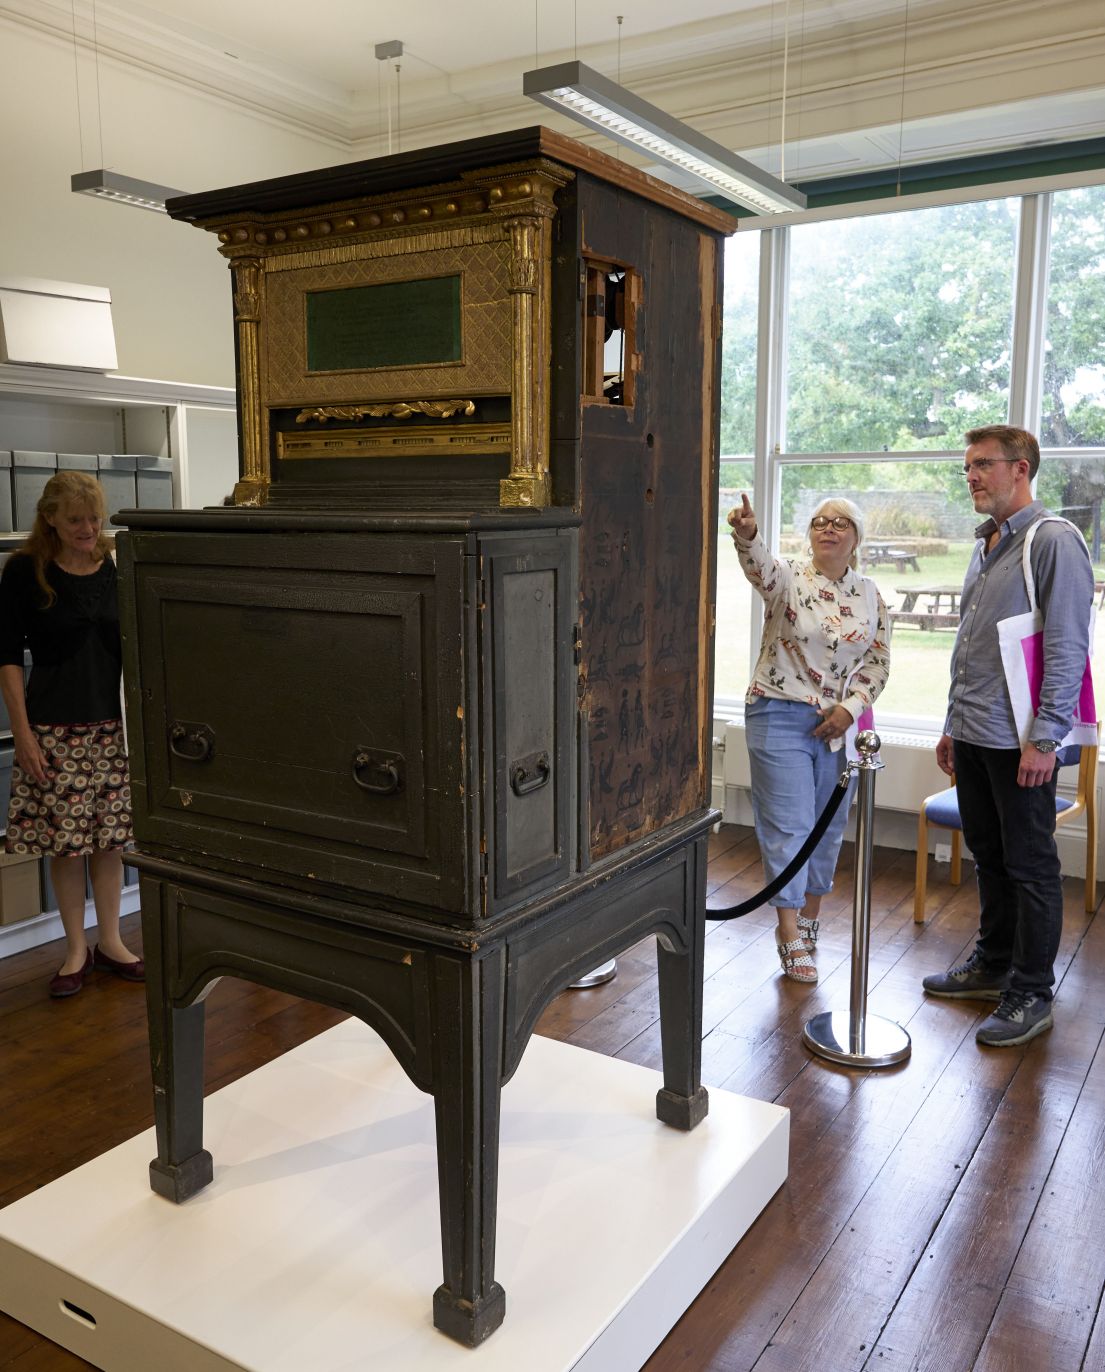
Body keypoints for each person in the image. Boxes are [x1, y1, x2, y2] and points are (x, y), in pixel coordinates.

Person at [922, 425, 1094, 1046]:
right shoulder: (987, 543)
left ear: (1020, 469)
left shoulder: (1054, 541)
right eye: (967, 466)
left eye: (982, 465)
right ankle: (992, 966)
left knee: (1030, 866)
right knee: (989, 858)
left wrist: (1045, 739)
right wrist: (951, 725)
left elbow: (1070, 644)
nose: (970, 475)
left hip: (1021, 742)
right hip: (974, 733)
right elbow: (972, 644)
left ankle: (1030, 991)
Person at [728, 493, 891, 983]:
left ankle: (810, 919)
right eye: (820, 521)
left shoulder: (870, 593)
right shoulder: (789, 578)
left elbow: (878, 662)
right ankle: (788, 930)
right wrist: (748, 534)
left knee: (827, 825)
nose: (828, 528)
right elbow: (759, 568)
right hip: (779, 713)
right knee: (788, 826)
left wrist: (850, 709)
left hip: (839, 728)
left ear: (856, 537)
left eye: (840, 523)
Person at [0, 471, 141, 998]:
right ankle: (75, 950)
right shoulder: (25, 572)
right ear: (51, 519)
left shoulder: (119, 566)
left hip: (114, 728)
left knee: (108, 843)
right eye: (76, 518)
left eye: (94, 517)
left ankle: (111, 943)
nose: (88, 527)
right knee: (65, 847)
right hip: (52, 730)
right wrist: (23, 733)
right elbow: (7, 657)